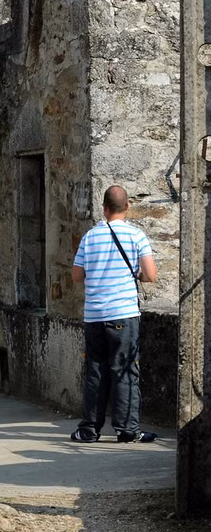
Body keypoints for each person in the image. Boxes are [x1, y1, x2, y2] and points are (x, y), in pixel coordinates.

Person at [71, 185, 159, 444]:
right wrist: (135, 273)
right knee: (125, 370)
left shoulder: (89, 237)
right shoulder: (137, 236)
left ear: (104, 208)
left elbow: (77, 276)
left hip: (95, 315)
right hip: (124, 314)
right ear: (128, 207)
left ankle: (89, 430)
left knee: (95, 370)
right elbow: (151, 275)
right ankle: (127, 430)